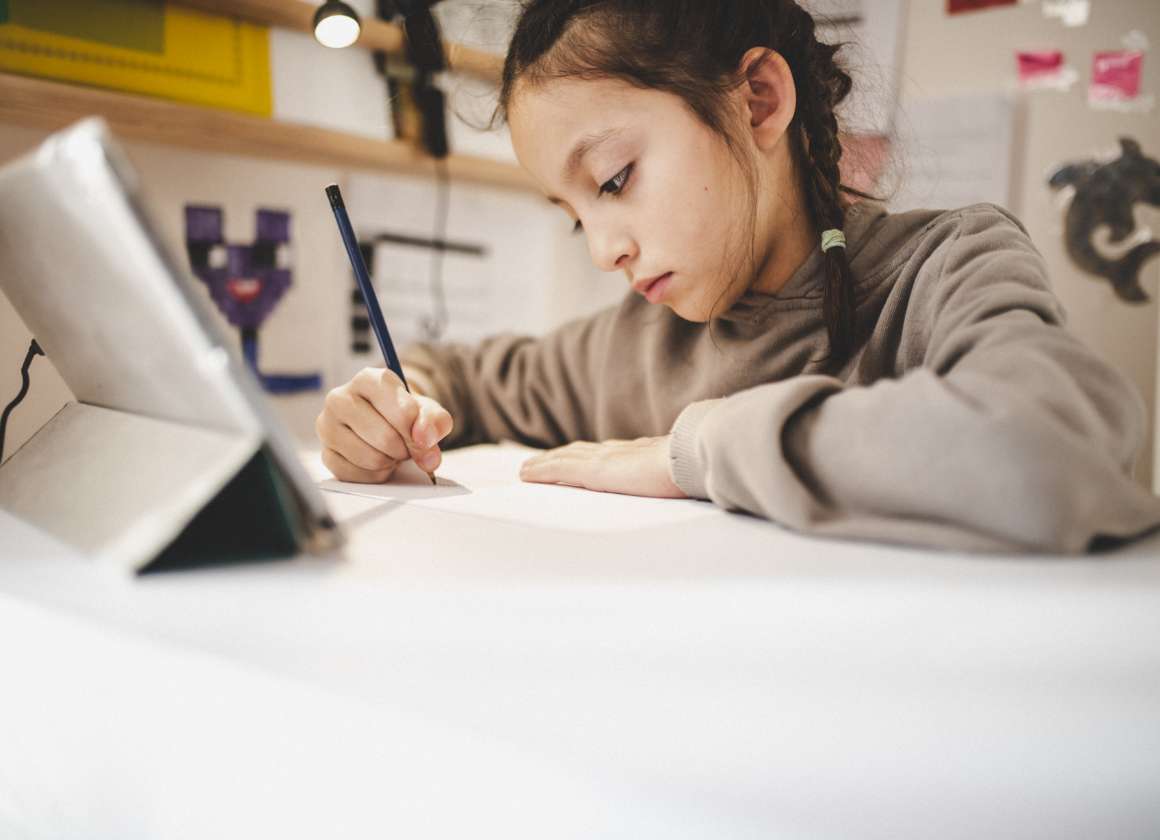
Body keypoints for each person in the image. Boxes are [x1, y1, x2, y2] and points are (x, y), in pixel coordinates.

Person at [315, 0, 1160, 553]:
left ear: (758, 98)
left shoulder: (943, 267)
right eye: (576, 214)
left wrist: (694, 452)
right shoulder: (634, 342)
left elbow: (1048, 447)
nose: (602, 249)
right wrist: (390, 403)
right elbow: (465, 377)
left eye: (613, 180)